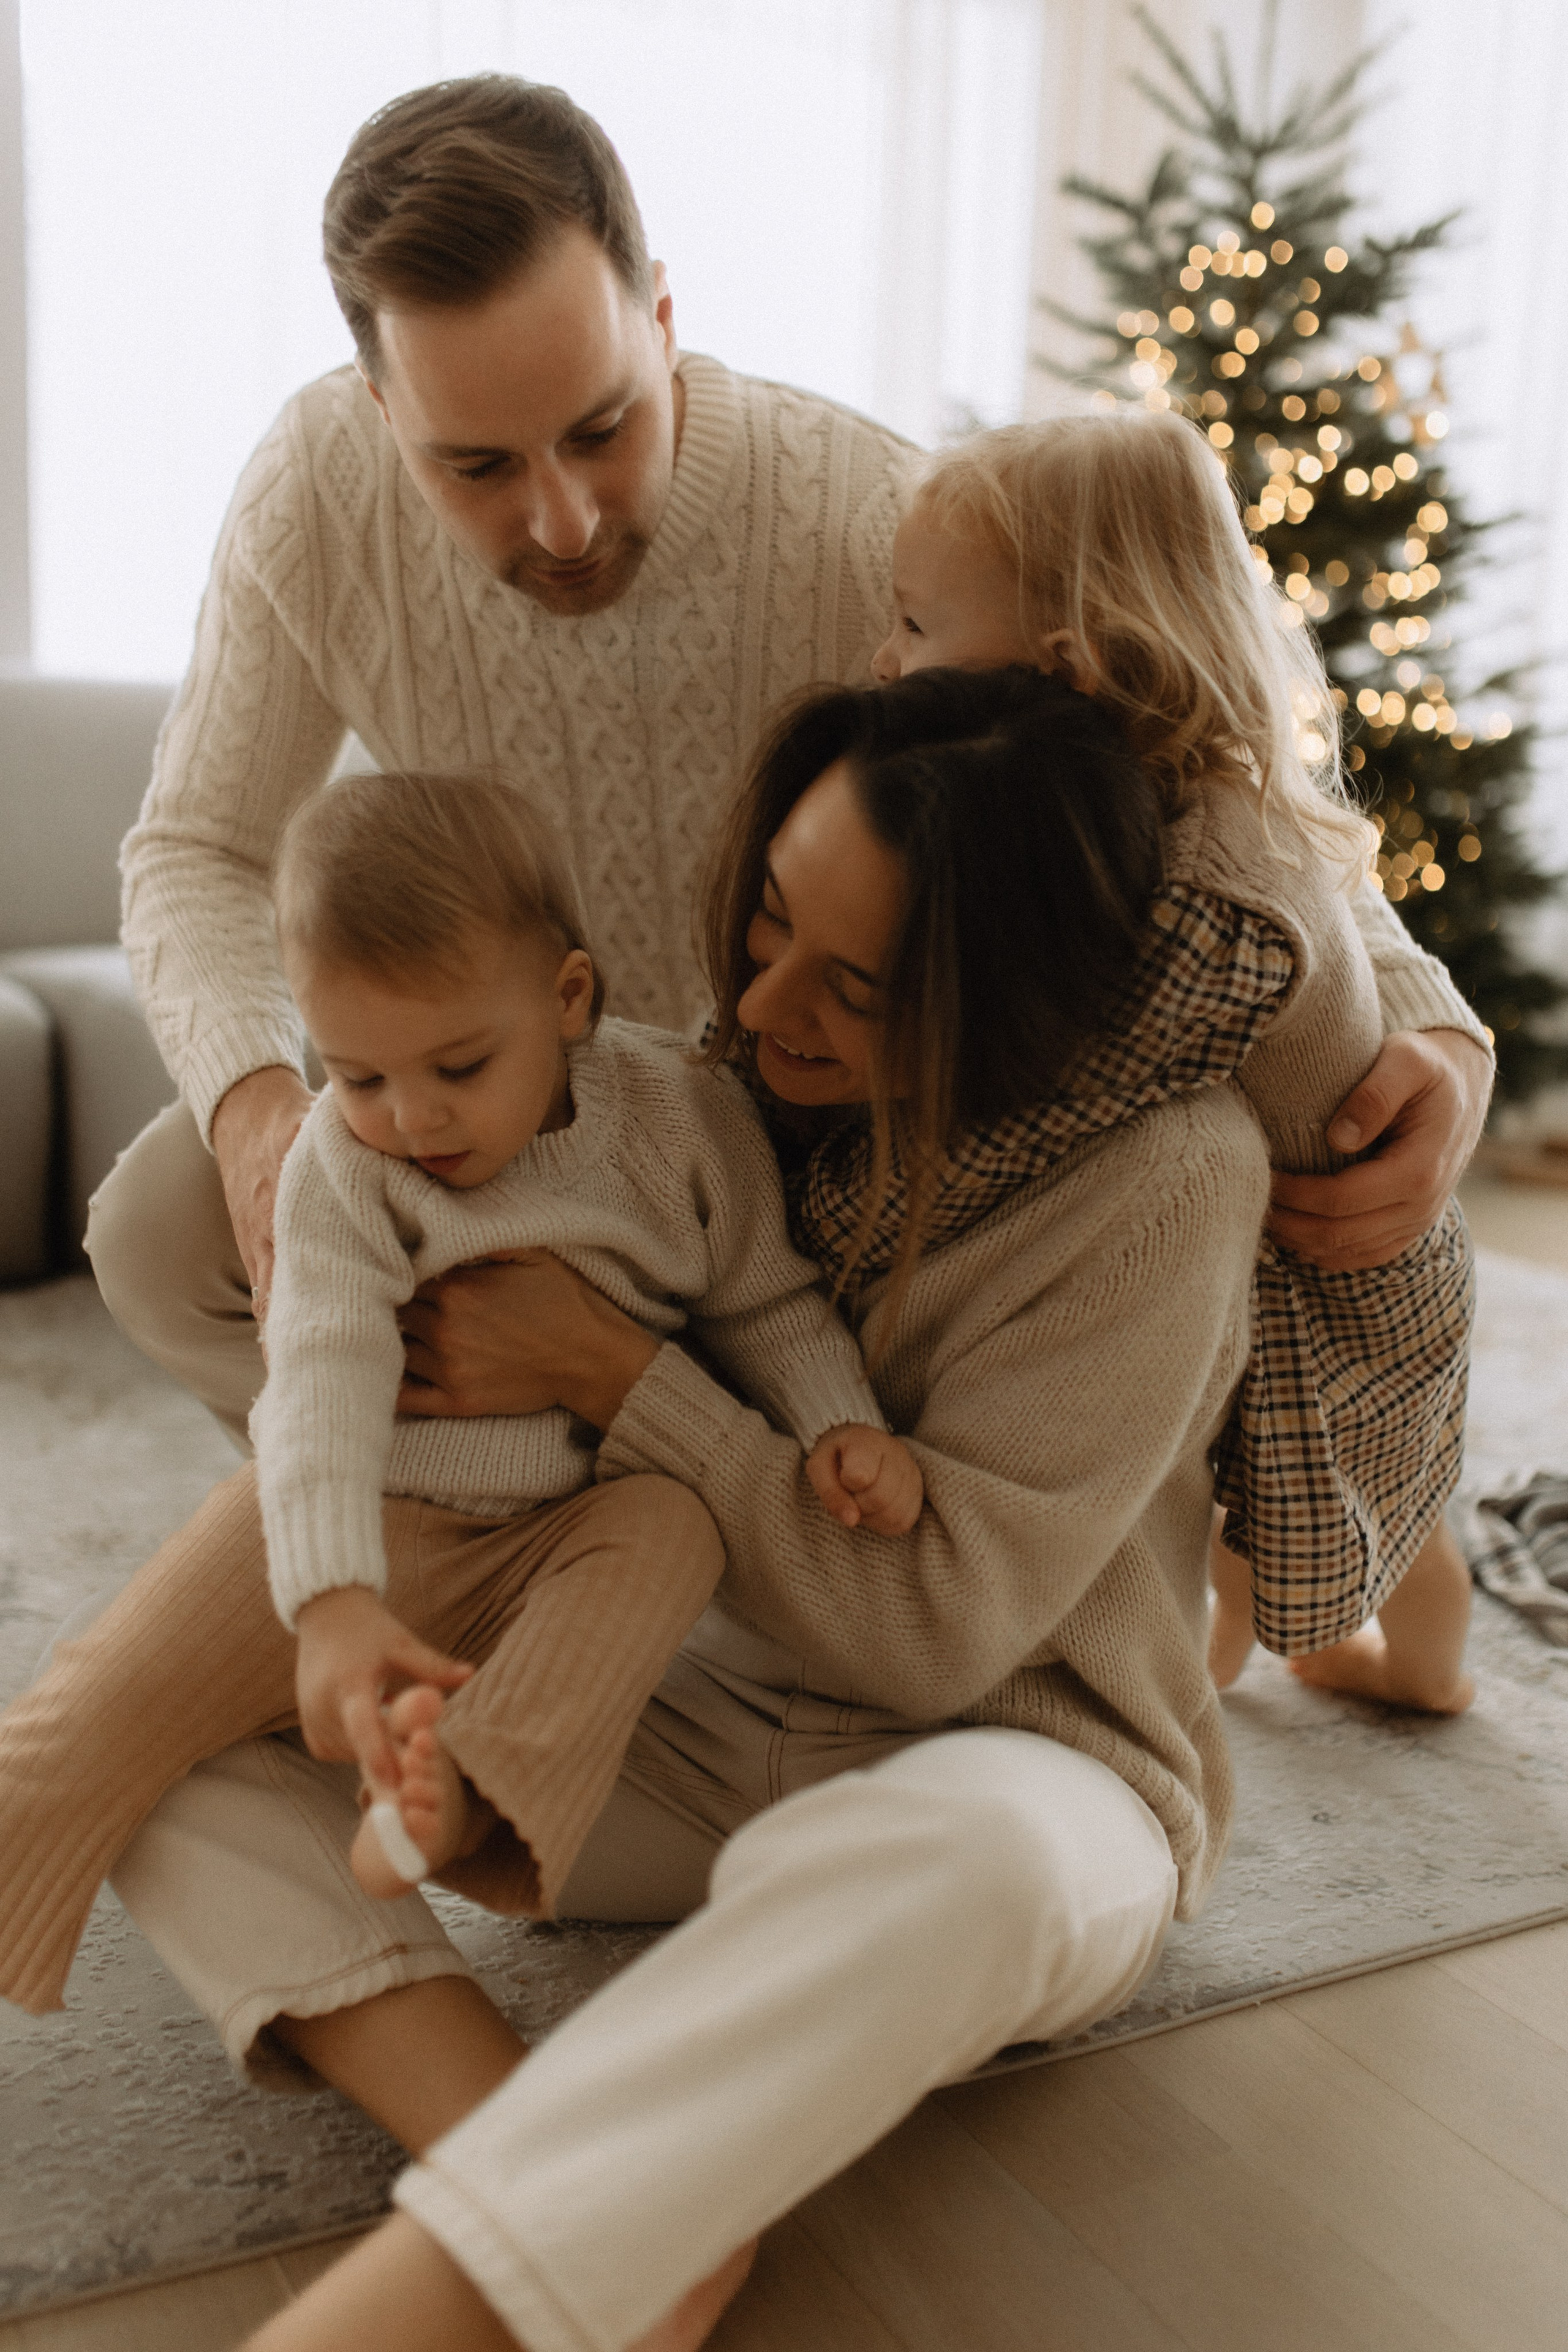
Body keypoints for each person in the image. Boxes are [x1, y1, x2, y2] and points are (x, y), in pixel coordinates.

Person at [106, 662, 1287, 2351]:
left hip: (1024, 1758)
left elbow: (936, 1640)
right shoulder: (732, 1092)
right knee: (183, 1737)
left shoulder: (1171, 1183)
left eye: (856, 985)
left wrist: (612, 1375)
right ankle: (562, 2178)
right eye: (769, 924)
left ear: (1002, 1003)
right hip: (707, 1717)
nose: (769, 1004)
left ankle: (415, 2305)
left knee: (959, 1866)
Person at [88, 72, 1491, 1471]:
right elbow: (196, 852)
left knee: (1163, 1186)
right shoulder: (312, 490)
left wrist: (1429, 1022)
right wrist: (259, 1111)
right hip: (522, 1116)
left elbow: (1196, 762)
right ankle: (497, 1506)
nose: (562, 521)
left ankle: (676, 1498)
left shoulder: (869, 513)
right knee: (158, 1229)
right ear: (377, 408)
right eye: (476, 468)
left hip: (826, 1168)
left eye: (599, 429)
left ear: (661, 319)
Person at [0, 767, 921, 2013]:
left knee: (674, 1519)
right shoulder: (345, 1162)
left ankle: (465, 1795)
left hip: (569, 1528)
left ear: (569, 999)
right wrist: (330, 1604)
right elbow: (319, 1377)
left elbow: (763, 1304)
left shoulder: (684, 1120)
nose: (411, 1119)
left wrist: (842, 1425)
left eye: (457, 1065)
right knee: (92, 1719)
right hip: (383, 1511)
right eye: (359, 1075)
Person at [875, 411, 1482, 1714]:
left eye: (918, 628)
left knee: (1373, 1502)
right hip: (1254, 1242)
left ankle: (1426, 1659)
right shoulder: (1124, 798)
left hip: (1341, 1271)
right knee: (1221, 1484)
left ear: (1065, 667)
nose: (885, 659)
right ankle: (1239, 1655)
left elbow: (1081, 1089)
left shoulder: (1207, 882)